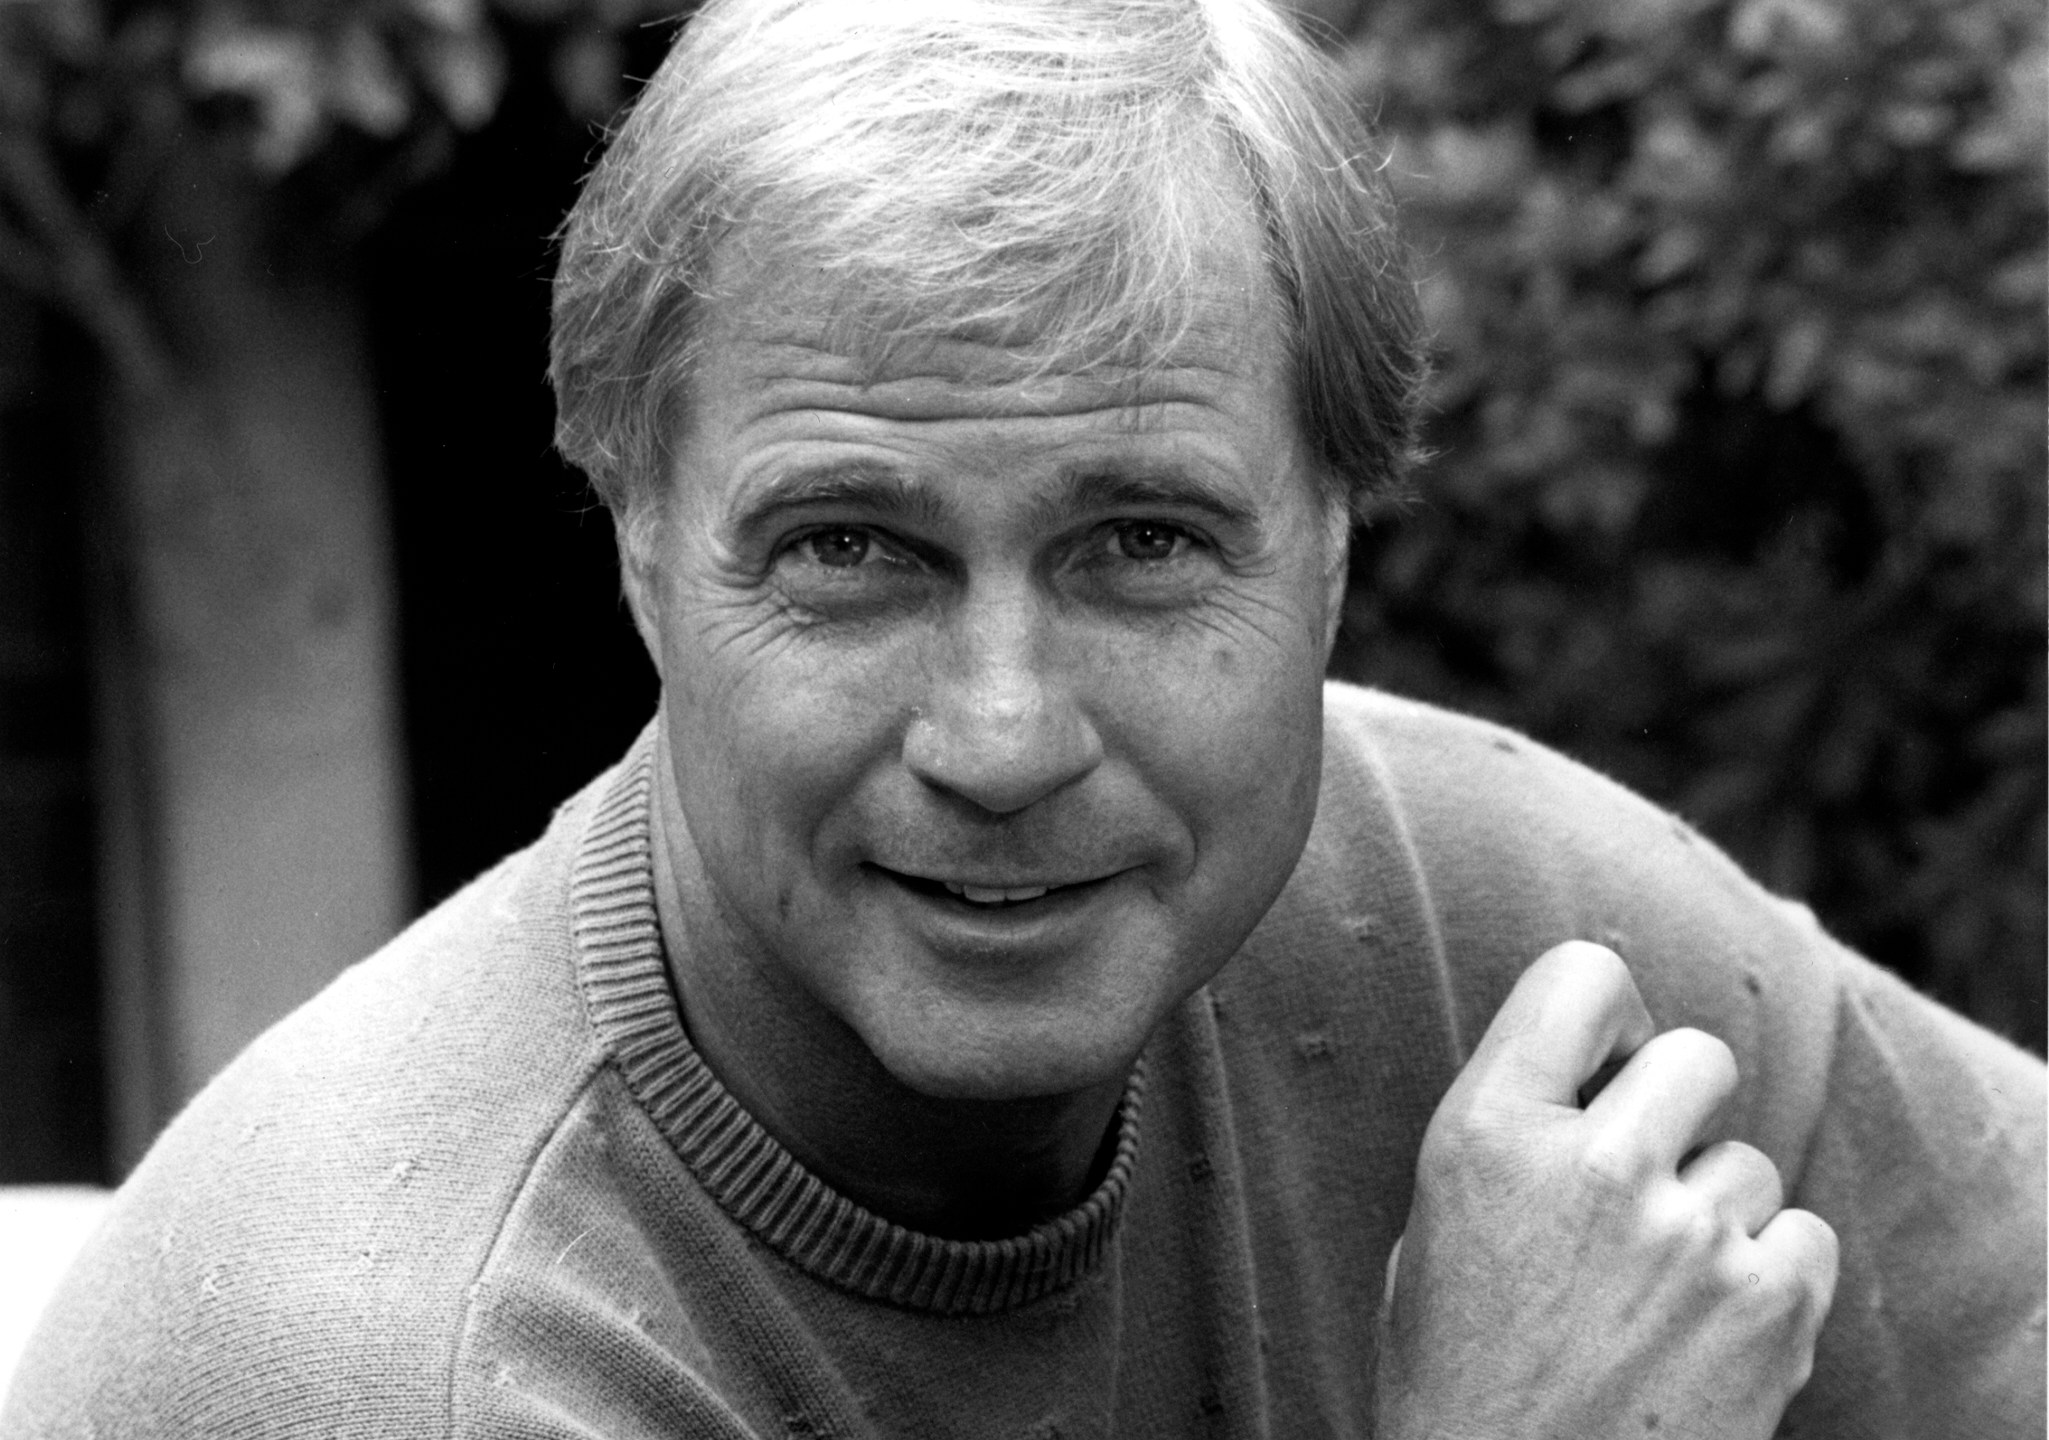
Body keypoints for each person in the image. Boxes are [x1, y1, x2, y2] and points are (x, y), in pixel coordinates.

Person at [6, 0, 2041, 1435]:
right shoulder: (413, 1366)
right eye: (851, 551)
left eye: (1140, 543)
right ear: (638, 553)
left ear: (1331, 552)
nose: (999, 740)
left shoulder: (1474, 930)